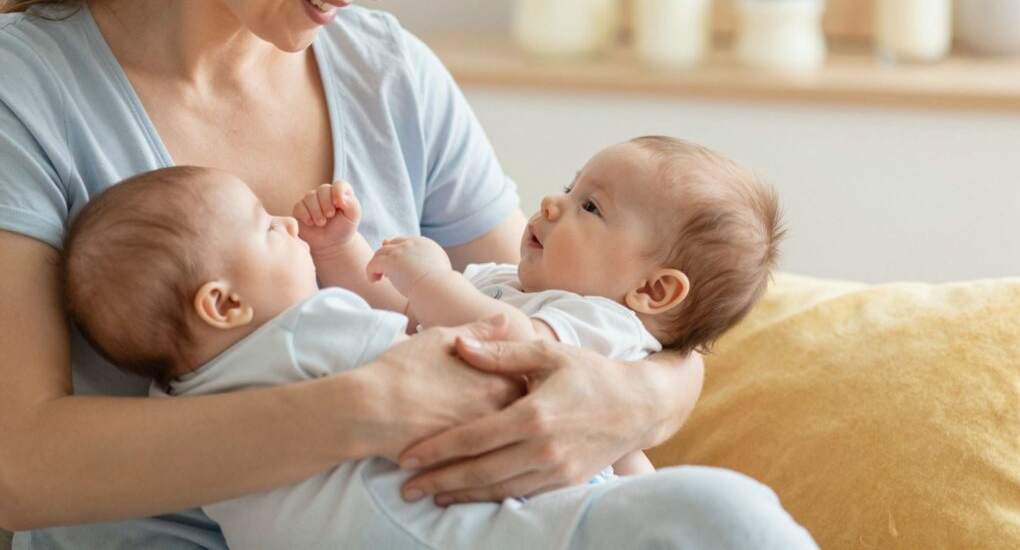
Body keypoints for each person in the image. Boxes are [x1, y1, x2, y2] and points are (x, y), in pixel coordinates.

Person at [0, 0, 815, 547]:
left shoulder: (388, 74)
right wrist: (371, 404)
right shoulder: (25, 93)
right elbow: (19, 466)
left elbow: (561, 307)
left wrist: (645, 396)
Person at [59, 163, 808, 550]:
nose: (287, 222)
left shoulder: (181, 404)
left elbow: (410, 315)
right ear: (222, 305)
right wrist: (421, 278)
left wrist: (356, 255)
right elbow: (463, 349)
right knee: (722, 512)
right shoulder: (307, 333)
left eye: (587, 204)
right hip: (491, 531)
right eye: (267, 230)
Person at [308, 134, 784, 477]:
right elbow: (398, 312)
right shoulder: (503, 282)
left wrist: (430, 279)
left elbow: (517, 345)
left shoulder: (608, 325)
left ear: (653, 291)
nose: (553, 202)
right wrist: (339, 249)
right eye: (571, 187)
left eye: (591, 207)